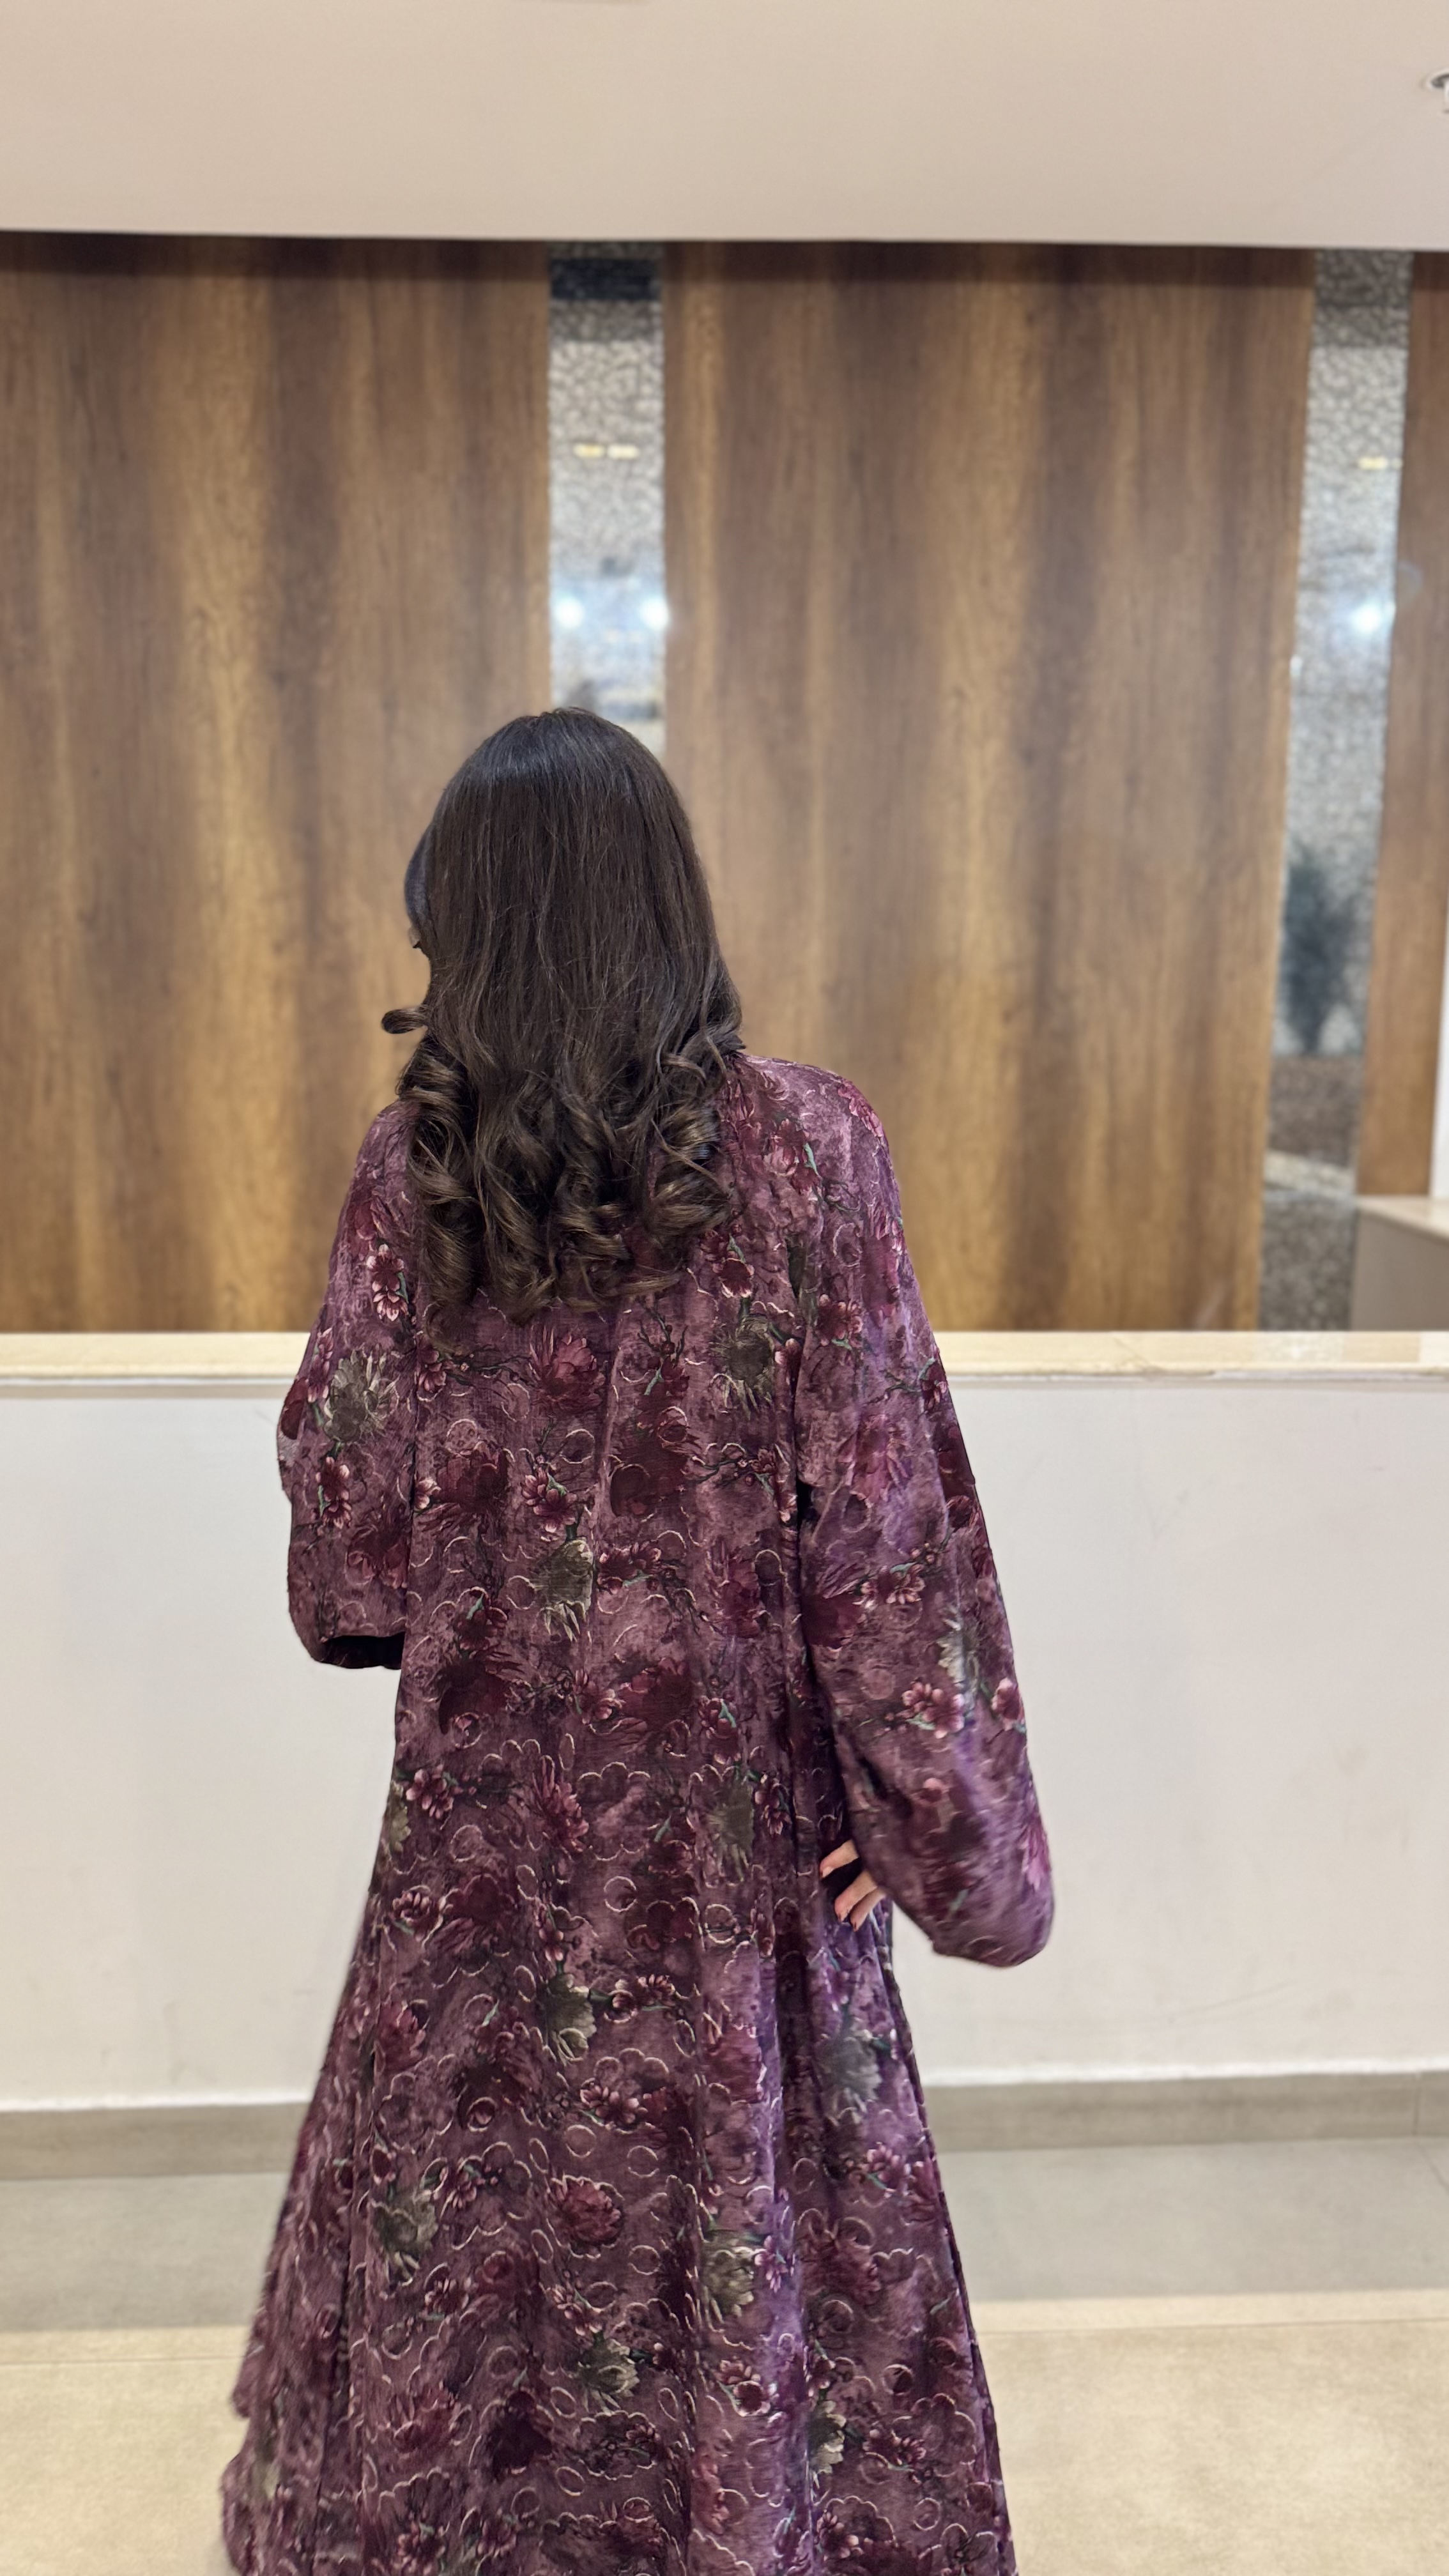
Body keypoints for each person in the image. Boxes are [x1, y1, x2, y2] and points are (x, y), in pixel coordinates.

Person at [222, 708, 1053, 2576]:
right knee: (752, 2215)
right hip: (735, 1857)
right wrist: (932, 1822)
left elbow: (349, 1552)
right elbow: (888, 1527)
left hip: (486, 1854)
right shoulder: (813, 1151)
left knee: (476, 2221)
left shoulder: (414, 1171)